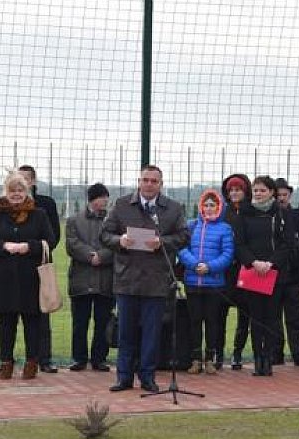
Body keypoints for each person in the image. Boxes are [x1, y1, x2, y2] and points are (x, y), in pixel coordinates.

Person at [101, 164, 189, 392]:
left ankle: (148, 377)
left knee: (152, 333)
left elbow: (184, 236)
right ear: (138, 182)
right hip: (127, 279)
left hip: (156, 281)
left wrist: (162, 242)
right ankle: (124, 377)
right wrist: (119, 241)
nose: (149, 184)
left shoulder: (173, 208)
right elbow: (105, 234)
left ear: (161, 184)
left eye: (154, 181)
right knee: (126, 332)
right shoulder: (121, 205)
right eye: (145, 180)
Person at [0, 172, 55, 380]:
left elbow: (50, 241)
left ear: (27, 191)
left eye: (20, 190)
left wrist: (28, 246)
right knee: (6, 323)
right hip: (5, 278)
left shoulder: (39, 214)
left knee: (32, 323)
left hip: (31, 278)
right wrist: (4, 245)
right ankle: (6, 361)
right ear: (6, 192)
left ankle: (32, 362)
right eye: (12, 190)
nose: (16, 194)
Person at [233, 175, 297, 376]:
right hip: (253, 272)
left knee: (271, 317)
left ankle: (268, 358)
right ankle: (258, 359)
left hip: (274, 273)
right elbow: (239, 244)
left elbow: (287, 244)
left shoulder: (281, 214)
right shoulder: (244, 213)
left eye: (263, 190)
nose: (259, 194)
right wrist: (253, 262)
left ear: (271, 192)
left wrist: (271, 263)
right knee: (255, 317)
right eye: (256, 190)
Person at [178, 188, 234, 374]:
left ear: (219, 207)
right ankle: (195, 359)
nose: (208, 208)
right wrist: (195, 265)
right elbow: (182, 248)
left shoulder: (225, 229)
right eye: (206, 205)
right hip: (192, 282)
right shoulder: (191, 226)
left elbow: (227, 254)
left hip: (214, 284)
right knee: (194, 321)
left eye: (212, 205)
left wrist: (209, 267)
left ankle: (210, 359)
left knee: (212, 322)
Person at [65, 183, 114, 372]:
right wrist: (90, 255)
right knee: (80, 322)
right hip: (81, 279)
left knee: (103, 321)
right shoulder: (74, 221)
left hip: (105, 280)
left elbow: (117, 244)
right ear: (93, 199)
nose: (105, 201)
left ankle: (99, 358)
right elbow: (72, 244)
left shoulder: (112, 221)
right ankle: (79, 358)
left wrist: (102, 256)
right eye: (102, 197)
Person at [17, 164, 61, 374]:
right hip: (13, 266)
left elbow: (54, 236)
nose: (22, 183)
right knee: (10, 316)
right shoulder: (6, 204)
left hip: (38, 265)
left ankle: (44, 359)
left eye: (26, 179)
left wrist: (33, 249)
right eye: (18, 178)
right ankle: (6, 359)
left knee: (41, 313)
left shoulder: (46, 204)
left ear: (33, 181)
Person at [274, 178, 299, 367]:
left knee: (296, 317)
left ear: (290, 195)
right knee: (273, 317)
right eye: (278, 195)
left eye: (284, 195)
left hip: (293, 275)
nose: (281, 198)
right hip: (273, 274)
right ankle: (275, 353)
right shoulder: (268, 217)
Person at [220, 173, 252, 370]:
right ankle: (217, 352)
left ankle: (237, 352)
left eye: (238, 189)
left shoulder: (251, 212)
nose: (234, 193)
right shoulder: (222, 213)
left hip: (246, 269)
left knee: (245, 315)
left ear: (245, 191)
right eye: (231, 190)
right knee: (219, 313)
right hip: (225, 271)